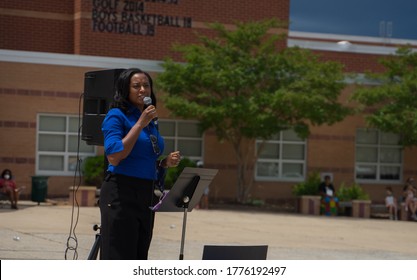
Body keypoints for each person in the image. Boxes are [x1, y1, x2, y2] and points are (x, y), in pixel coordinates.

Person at [99, 68, 181, 260]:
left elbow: (145, 159)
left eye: (146, 85)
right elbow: (114, 156)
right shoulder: (116, 115)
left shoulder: (151, 122)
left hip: (145, 194)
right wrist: (139, 125)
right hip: (121, 191)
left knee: (139, 255)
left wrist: (164, 163)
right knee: (120, 255)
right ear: (125, 90)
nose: (143, 90)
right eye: (136, 86)